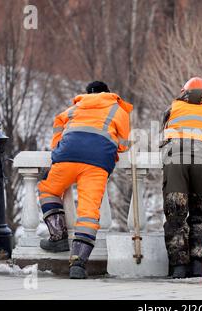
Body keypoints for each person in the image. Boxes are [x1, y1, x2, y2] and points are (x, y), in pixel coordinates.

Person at [38, 81, 132, 279]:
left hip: (67, 157)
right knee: (88, 212)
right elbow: (124, 144)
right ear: (108, 92)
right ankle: (78, 264)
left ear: (87, 93)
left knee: (48, 189)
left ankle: (58, 236)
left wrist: (58, 147)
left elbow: (58, 124)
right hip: (97, 163)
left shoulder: (74, 108)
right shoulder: (118, 109)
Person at [160, 77, 202, 278]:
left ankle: (179, 268)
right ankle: (198, 266)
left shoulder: (172, 108)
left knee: (176, 214)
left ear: (184, 91)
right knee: (200, 215)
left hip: (177, 161)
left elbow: (164, 134)